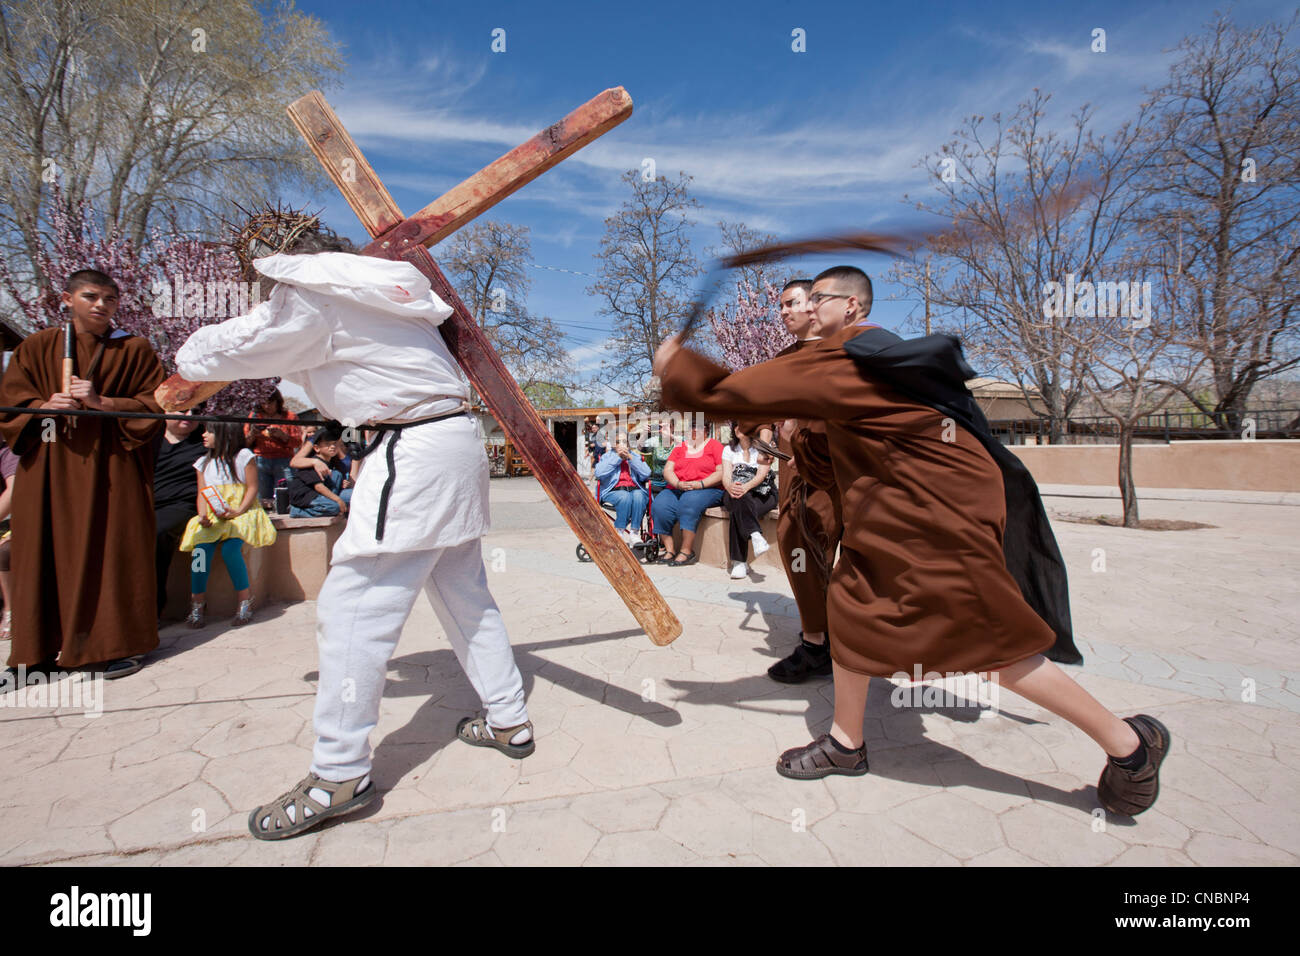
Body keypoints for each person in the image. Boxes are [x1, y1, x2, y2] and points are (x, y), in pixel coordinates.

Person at [654, 264, 1168, 817]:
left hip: (934, 515)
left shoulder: (852, 352)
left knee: (983, 641)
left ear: (850, 306)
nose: (804, 311)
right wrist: (797, 436)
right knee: (850, 607)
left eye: (817, 299)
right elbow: (829, 465)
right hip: (895, 514)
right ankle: (847, 743)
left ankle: (1129, 746)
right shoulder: (865, 363)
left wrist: (677, 367)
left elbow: (730, 392)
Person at [174, 219, 534, 840]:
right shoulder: (384, 290)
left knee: (353, 612)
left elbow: (229, 349)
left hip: (414, 454)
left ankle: (339, 772)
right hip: (448, 442)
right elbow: (321, 375)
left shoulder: (316, 293)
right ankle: (509, 718)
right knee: (465, 594)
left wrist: (184, 364)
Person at [0, 269, 165, 680]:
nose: (101, 305)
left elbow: (155, 408)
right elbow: (10, 408)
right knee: (42, 553)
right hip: (50, 471)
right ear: (66, 299)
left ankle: (116, 647)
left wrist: (103, 401)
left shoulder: (135, 349)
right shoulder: (37, 347)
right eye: (91, 296)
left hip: (112, 470)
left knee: (114, 551)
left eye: (110, 299)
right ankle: (37, 653)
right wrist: (42, 407)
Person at [767, 278, 852, 682]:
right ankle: (819, 639)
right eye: (780, 306)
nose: (784, 311)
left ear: (814, 306)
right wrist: (764, 428)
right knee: (797, 544)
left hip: (831, 474)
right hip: (793, 473)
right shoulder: (784, 359)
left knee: (816, 548)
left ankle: (822, 645)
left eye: (791, 303)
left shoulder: (841, 352)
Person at [177, 421, 277, 628]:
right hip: (215, 516)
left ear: (224, 434)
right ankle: (197, 603)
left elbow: (252, 488)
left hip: (243, 512)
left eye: (209, 431)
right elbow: (202, 494)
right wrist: (202, 515)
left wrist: (239, 510)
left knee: (231, 550)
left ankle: (244, 601)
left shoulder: (243, 457)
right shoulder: (203, 463)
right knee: (200, 553)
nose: (204, 434)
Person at [152, 409, 205, 616]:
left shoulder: (204, 443)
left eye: (196, 410)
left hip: (183, 506)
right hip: (146, 504)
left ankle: (152, 610)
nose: (190, 414)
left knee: (154, 534)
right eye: (183, 410)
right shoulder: (148, 438)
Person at [651, 418, 724, 566]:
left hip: (708, 488)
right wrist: (677, 483)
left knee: (688, 501)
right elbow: (668, 470)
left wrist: (700, 484)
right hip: (678, 487)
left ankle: (686, 551)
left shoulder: (715, 446)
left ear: (706, 429)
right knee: (660, 505)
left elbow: (721, 472)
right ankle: (669, 550)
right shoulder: (680, 446)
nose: (694, 430)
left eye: (698, 427)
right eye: (692, 426)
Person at [721, 421, 777, 579]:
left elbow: (761, 475)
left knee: (739, 509)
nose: (739, 428)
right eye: (736, 425)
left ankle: (739, 562)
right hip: (735, 492)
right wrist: (730, 486)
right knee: (739, 500)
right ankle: (756, 536)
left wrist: (745, 487)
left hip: (763, 493)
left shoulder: (763, 447)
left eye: (744, 425)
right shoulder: (728, 450)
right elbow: (725, 476)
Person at [247, 389, 302, 506]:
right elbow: (244, 443)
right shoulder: (255, 416)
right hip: (261, 459)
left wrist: (282, 435)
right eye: (264, 403)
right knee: (262, 499)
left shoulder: (289, 417)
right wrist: (253, 433)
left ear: (278, 402)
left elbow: (297, 442)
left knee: (286, 497)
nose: (267, 406)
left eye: (270, 403)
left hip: (284, 460)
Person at [594, 429, 649, 545]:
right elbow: (599, 473)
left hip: (634, 489)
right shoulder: (607, 456)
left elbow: (646, 473)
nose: (622, 444)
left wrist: (630, 458)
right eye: (619, 441)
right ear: (614, 443)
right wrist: (618, 458)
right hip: (614, 490)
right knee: (625, 497)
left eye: (625, 441)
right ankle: (619, 531)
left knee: (639, 496)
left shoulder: (634, 455)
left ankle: (634, 533)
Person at [288, 423, 353, 518]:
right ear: (316, 448)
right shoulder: (311, 463)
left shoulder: (331, 461)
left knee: (350, 493)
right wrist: (338, 500)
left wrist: (344, 484)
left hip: (323, 496)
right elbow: (319, 487)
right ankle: (297, 511)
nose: (332, 447)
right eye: (327, 444)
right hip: (308, 497)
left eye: (334, 443)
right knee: (334, 507)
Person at [0, 439, 16, 641]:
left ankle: (10, 611)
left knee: (3, 553)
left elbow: (14, 493)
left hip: (13, 525)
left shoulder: (9, 452)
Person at [640, 418, 677, 493]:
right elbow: (639, 447)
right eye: (660, 427)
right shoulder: (655, 440)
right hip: (656, 482)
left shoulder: (678, 441)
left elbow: (688, 444)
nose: (663, 429)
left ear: (673, 428)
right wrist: (644, 434)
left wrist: (670, 436)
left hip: (675, 482)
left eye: (667, 426)